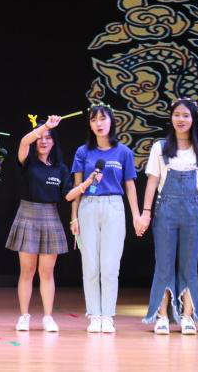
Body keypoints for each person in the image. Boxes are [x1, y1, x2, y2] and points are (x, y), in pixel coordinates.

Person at [137, 98, 198, 335]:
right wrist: (145, 213)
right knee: (164, 264)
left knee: (189, 264)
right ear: (171, 118)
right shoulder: (160, 147)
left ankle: (187, 316)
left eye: (186, 115)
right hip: (165, 211)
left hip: (193, 212)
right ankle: (162, 316)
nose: (181, 119)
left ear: (193, 119)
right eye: (177, 115)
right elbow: (152, 182)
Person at [66, 104, 142, 334]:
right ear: (89, 124)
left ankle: (107, 315)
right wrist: (73, 217)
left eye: (103, 118)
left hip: (114, 206)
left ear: (112, 121)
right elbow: (76, 187)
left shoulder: (123, 152)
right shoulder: (83, 152)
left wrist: (136, 215)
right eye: (93, 120)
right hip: (88, 206)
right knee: (90, 265)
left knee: (110, 266)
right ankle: (94, 315)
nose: (98, 123)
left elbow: (130, 185)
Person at [6, 115, 73, 332]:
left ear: (54, 142)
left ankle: (48, 317)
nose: (43, 141)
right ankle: (24, 316)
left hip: (50, 218)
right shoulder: (27, 161)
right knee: (27, 271)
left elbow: (68, 194)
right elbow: (23, 141)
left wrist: (86, 185)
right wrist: (45, 127)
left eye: (48, 137)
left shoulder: (61, 168)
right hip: (27, 215)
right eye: (40, 138)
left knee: (47, 272)